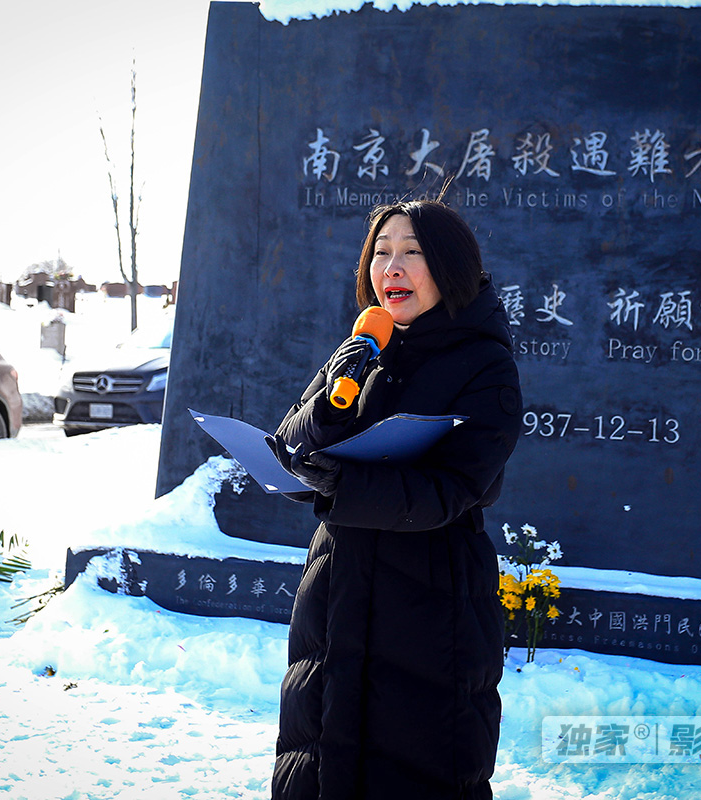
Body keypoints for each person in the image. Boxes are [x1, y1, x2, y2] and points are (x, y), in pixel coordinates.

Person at [268, 199, 522, 799]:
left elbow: (455, 490)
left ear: (450, 265)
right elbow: (290, 443)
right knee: (320, 767)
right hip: (337, 589)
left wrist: (346, 484)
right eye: (381, 253)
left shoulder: (487, 366)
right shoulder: (363, 349)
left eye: (412, 252)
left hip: (432, 603)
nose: (391, 268)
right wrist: (332, 400)